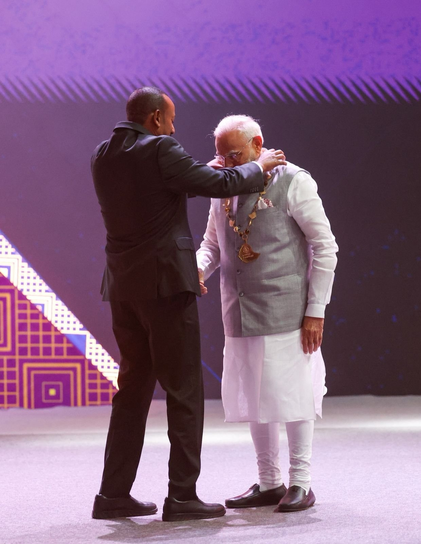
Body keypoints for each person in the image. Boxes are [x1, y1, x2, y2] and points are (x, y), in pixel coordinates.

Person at [91, 89, 286, 522]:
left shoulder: (103, 154)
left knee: (132, 390)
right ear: (156, 118)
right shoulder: (161, 148)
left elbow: (161, 187)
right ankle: (182, 496)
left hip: (124, 289)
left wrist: (200, 171)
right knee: (184, 391)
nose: (175, 128)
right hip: (165, 286)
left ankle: (112, 494)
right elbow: (219, 184)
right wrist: (260, 166)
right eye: (172, 119)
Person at [196, 115, 338, 512]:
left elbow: (326, 247)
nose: (226, 162)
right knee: (255, 395)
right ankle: (270, 481)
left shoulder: (294, 181)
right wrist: (195, 271)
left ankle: (301, 482)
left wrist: (316, 311)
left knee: (293, 394)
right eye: (221, 155)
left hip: (287, 310)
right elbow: (212, 246)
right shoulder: (222, 187)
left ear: (258, 145)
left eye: (234, 154)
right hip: (238, 310)